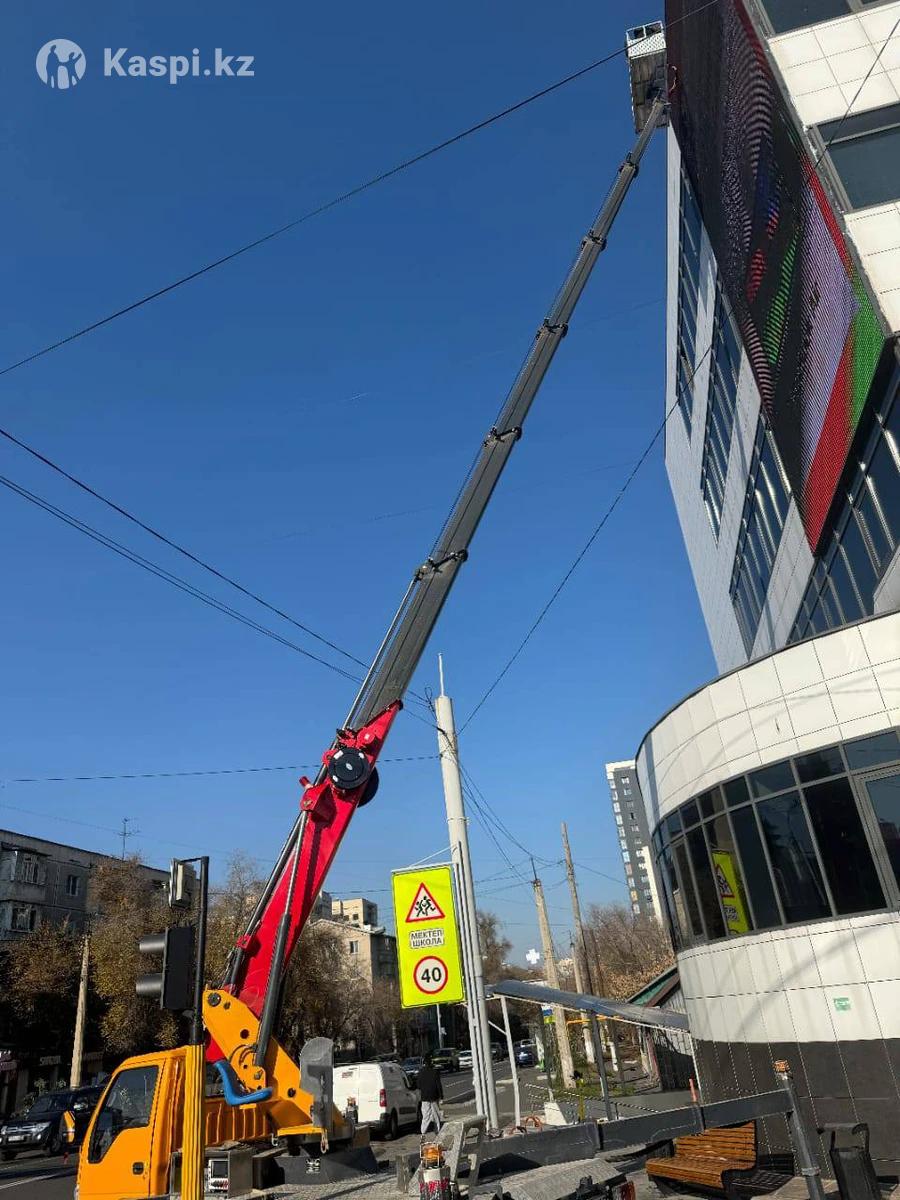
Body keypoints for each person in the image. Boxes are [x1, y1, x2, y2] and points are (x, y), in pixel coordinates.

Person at [417, 1053, 443, 1136]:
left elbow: (418, 1085)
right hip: (434, 1096)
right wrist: (441, 1096)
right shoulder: (435, 1072)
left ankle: (423, 1132)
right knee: (436, 1115)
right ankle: (437, 1131)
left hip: (424, 1097)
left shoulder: (421, 1072)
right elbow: (438, 1085)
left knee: (426, 1115)